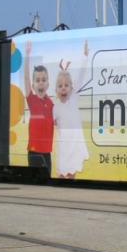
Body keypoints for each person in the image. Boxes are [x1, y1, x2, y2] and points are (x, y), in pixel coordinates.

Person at [53, 41, 89, 178]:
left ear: (71, 88)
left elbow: (81, 76)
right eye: (60, 85)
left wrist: (85, 57)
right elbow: (53, 123)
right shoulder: (55, 107)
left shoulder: (73, 98)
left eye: (66, 85)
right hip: (63, 145)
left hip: (74, 143)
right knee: (62, 172)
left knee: (72, 172)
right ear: (56, 89)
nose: (63, 87)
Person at [23, 41, 54, 175]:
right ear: (34, 84)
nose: (40, 82)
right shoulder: (32, 100)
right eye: (37, 80)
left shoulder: (51, 103)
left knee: (48, 180)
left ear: (47, 83)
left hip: (47, 152)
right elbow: (25, 78)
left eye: (43, 80)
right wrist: (27, 55)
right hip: (34, 151)